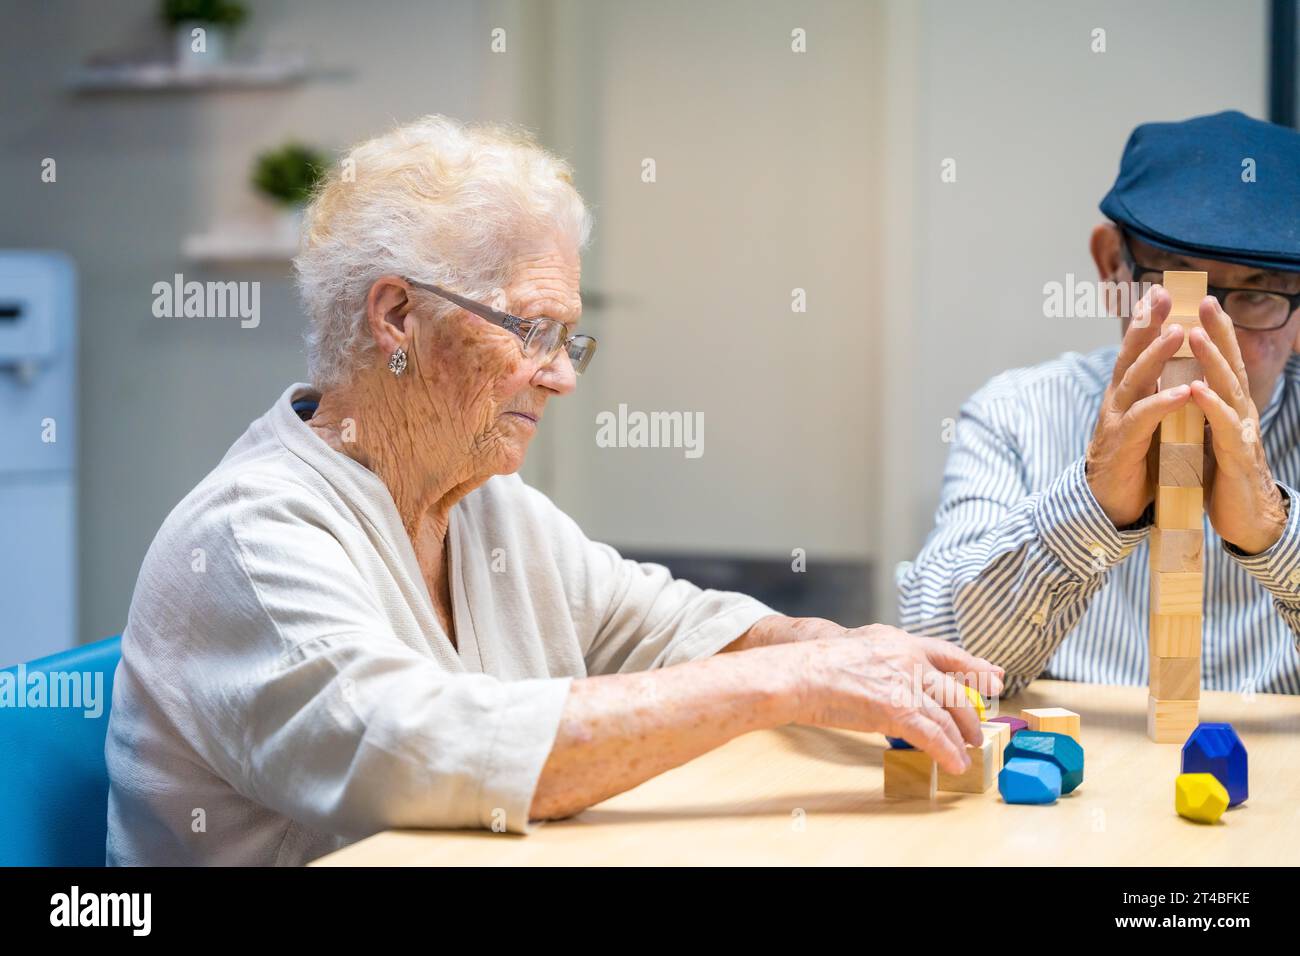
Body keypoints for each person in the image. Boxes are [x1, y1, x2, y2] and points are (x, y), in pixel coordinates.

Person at [106, 115, 1001, 866]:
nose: (561, 378)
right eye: (530, 330)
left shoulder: (487, 507)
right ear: (396, 318)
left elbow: (666, 627)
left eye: (569, 339)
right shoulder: (248, 536)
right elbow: (421, 754)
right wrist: (793, 680)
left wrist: (827, 645)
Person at [900, 111, 1300, 696]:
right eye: (1175, 282)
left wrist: (1273, 532)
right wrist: (1091, 506)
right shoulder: (1015, 414)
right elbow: (937, 661)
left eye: (1256, 293)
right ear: (1112, 267)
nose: (1204, 339)